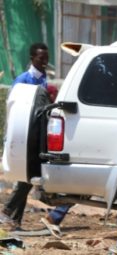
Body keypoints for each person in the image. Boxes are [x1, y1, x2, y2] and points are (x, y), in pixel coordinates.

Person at [0, 43, 71, 233]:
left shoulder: (44, 81)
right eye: (41, 58)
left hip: (38, 137)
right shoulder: (23, 80)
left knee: (28, 177)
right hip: (25, 137)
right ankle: (8, 212)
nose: (45, 62)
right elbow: (14, 110)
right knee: (27, 176)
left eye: (46, 58)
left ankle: (14, 219)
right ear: (32, 58)